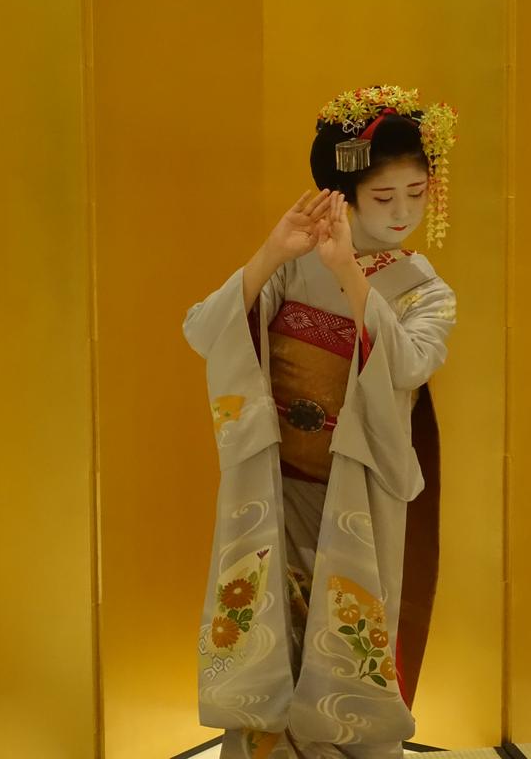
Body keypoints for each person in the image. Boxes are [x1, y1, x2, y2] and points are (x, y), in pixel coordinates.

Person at [182, 85, 458, 759]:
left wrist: (352, 278)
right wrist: (272, 254)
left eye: (417, 195)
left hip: (357, 494)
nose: (402, 213)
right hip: (278, 481)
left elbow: (411, 363)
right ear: (345, 194)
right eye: (384, 197)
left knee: (348, 639)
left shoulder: (425, 288)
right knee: (267, 630)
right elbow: (203, 330)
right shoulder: (293, 264)